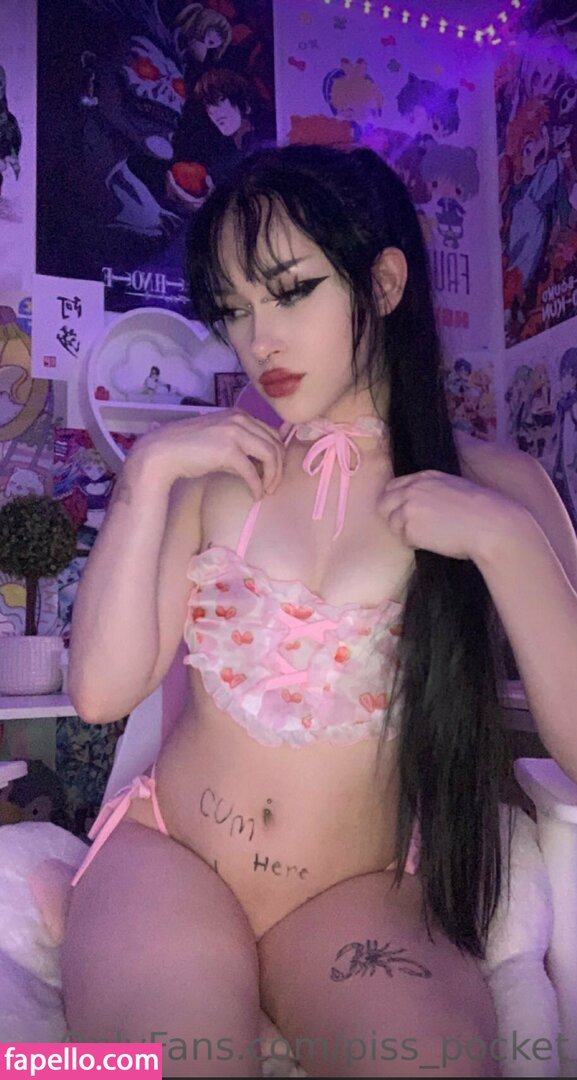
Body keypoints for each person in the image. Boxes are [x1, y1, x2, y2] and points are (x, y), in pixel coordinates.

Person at [61, 144, 577, 1078]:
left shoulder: (499, 487)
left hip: (356, 891)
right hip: (171, 859)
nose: (259, 340)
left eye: (290, 291)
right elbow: (98, 693)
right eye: (233, 309)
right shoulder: (216, 471)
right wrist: (147, 475)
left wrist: (506, 544)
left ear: (382, 283)